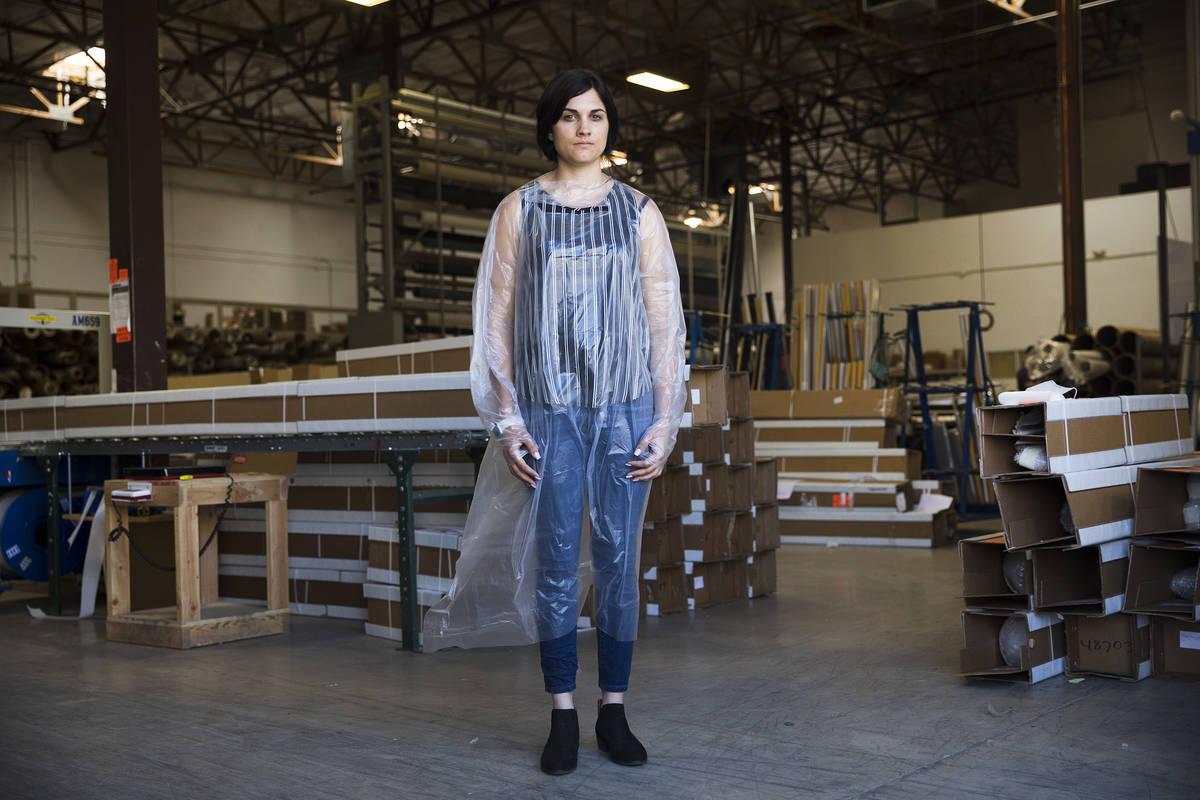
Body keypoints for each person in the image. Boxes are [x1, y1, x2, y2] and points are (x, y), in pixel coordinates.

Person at [421, 68, 686, 776]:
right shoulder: (518, 212)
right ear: (549, 128)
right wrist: (507, 416)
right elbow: (496, 320)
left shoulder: (639, 213)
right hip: (547, 410)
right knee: (557, 564)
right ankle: (564, 714)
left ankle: (615, 708)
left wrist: (666, 418)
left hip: (626, 406)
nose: (584, 128)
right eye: (569, 116)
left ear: (610, 127)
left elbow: (664, 323)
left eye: (596, 115)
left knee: (620, 565)